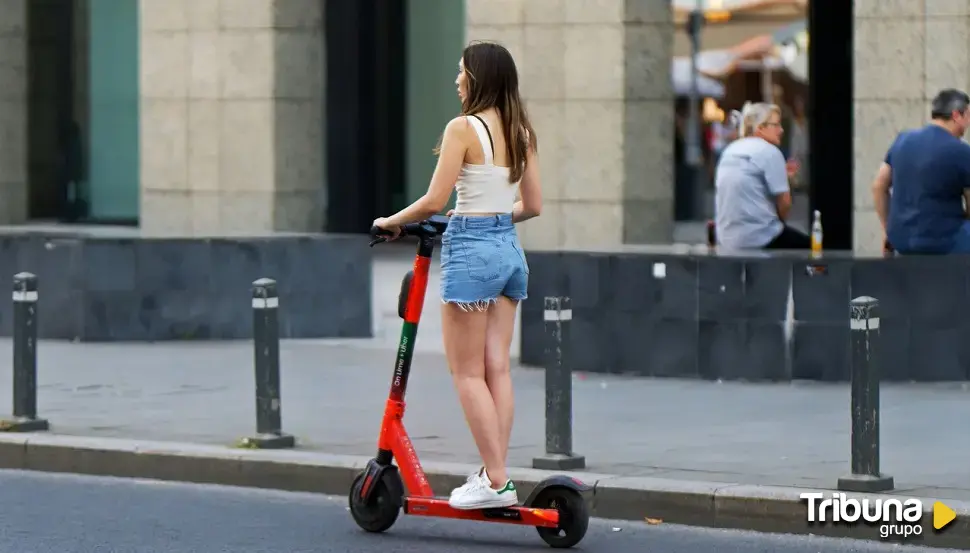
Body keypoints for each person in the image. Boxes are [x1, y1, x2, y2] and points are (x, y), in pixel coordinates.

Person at [370, 41, 541, 510]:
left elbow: (433, 202)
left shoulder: (462, 128)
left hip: (471, 250)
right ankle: (494, 474)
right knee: (497, 368)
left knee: (466, 373)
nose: (457, 79)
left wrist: (390, 222)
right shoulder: (522, 131)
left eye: (462, 71)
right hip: (508, 250)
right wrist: (495, 216)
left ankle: (497, 480)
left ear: (479, 77)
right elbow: (533, 206)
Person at [870, 88, 970, 254]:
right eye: (967, 116)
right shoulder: (961, 151)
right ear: (956, 115)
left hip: (901, 241)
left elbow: (878, 186)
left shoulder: (902, 140)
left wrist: (888, 230)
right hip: (944, 242)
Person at [713, 102, 807, 250]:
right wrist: (787, 182)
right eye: (775, 125)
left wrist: (783, 176)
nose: (781, 130)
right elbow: (784, 205)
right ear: (760, 127)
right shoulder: (770, 151)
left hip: (727, 239)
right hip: (761, 237)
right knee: (815, 252)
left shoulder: (730, 150)